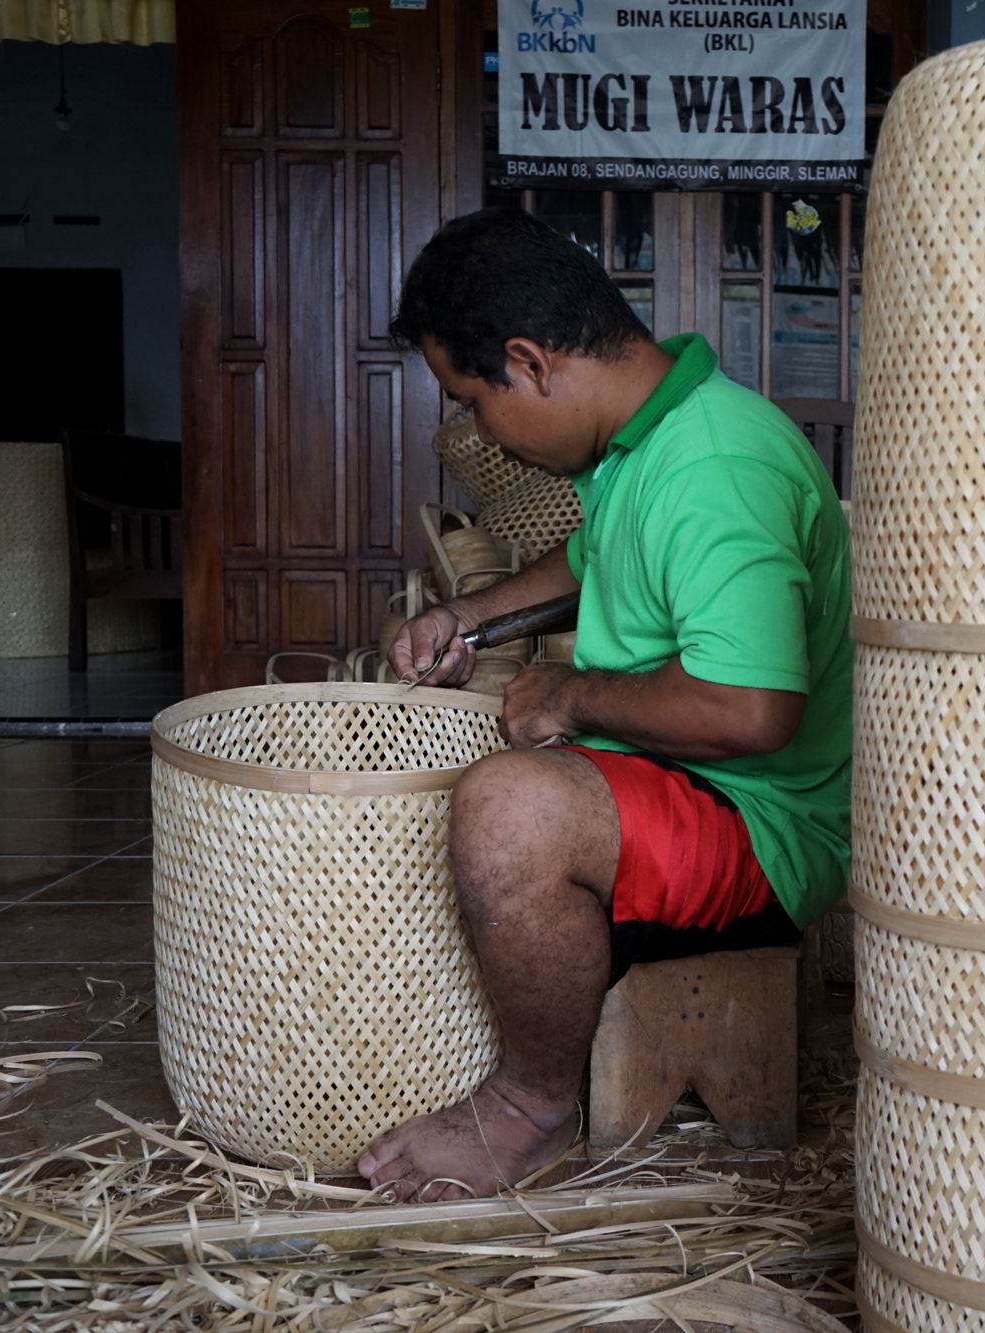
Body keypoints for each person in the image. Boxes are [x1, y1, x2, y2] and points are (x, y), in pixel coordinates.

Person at [362, 207, 851, 1200]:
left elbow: (754, 710)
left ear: (533, 363)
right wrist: (470, 618)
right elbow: (593, 561)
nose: (480, 431)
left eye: (473, 401)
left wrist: (571, 696)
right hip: (680, 783)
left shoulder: (716, 463)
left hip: (757, 823)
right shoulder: (648, 436)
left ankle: (530, 1111)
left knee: (512, 808)